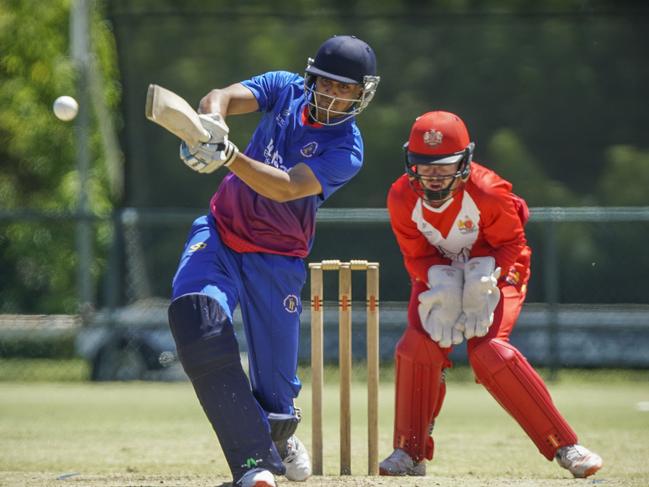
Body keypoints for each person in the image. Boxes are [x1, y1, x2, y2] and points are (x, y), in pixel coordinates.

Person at [167, 35, 379, 487]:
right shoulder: (284, 87)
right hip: (221, 233)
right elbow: (220, 96)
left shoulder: (347, 149)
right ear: (313, 79)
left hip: (278, 259)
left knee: (277, 406)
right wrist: (211, 125)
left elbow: (284, 186)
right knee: (196, 320)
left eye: (348, 90)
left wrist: (226, 156)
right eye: (330, 84)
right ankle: (252, 464)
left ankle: (278, 438)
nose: (337, 96)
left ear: (362, 95)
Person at [379, 110, 603, 479]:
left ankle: (566, 446)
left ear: (464, 161)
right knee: (417, 346)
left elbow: (513, 243)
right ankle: (409, 450)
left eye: (444, 165)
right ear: (410, 162)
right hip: (439, 272)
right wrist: (442, 281)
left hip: (498, 268)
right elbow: (415, 255)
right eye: (424, 165)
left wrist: (485, 280)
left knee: (489, 352)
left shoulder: (487, 190)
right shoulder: (401, 196)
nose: (433, 175)